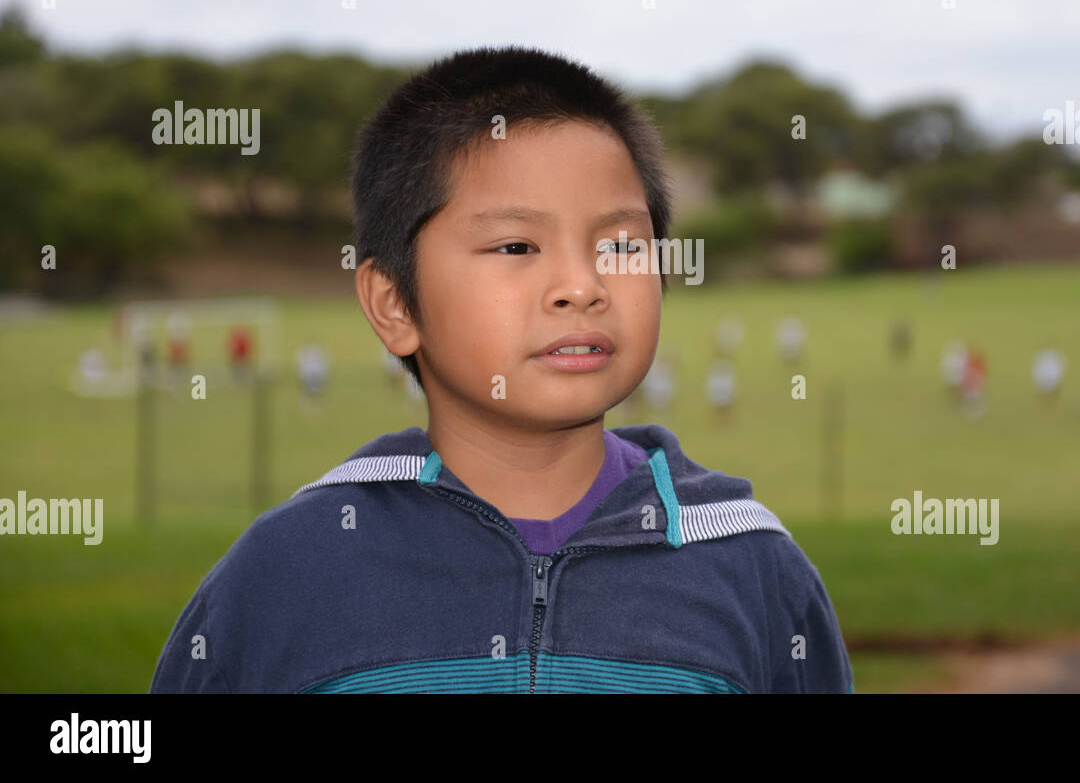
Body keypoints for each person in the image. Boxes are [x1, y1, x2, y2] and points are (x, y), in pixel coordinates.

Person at [151, 46, 852, 694]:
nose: (582, 285)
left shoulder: (753, 568)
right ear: (394, 302)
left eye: (619, 244)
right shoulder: (288, 571)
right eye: (517, 244)